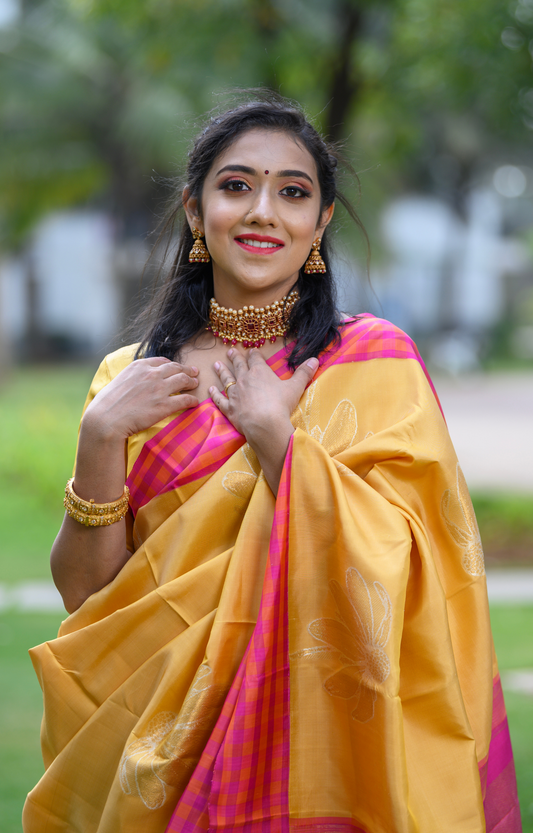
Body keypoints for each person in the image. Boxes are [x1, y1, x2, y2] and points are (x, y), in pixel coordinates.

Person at [23, 93, 521, 833]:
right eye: (235, 186)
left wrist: (276, 439)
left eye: (293, 192)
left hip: (326, 738)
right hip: (158, 748)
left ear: (319, 223)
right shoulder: (129, 378)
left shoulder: (372, 360)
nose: (263, 211)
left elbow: (417, 564)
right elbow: (89, 599)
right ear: (196, 212)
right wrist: (99, 437)